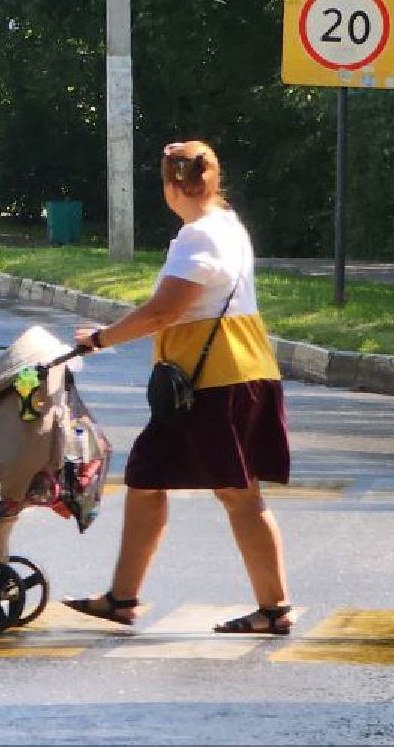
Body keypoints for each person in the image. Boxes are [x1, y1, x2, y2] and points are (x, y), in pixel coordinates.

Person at [61, 140, 295, 635]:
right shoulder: (228, 226)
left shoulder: (199, 237)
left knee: (236, 494)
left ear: (171, 187)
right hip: (239, 371)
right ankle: (123, 597)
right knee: (151, 480)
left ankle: (273, 609)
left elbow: (161, 313)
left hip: (213, 383)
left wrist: (99, 340)